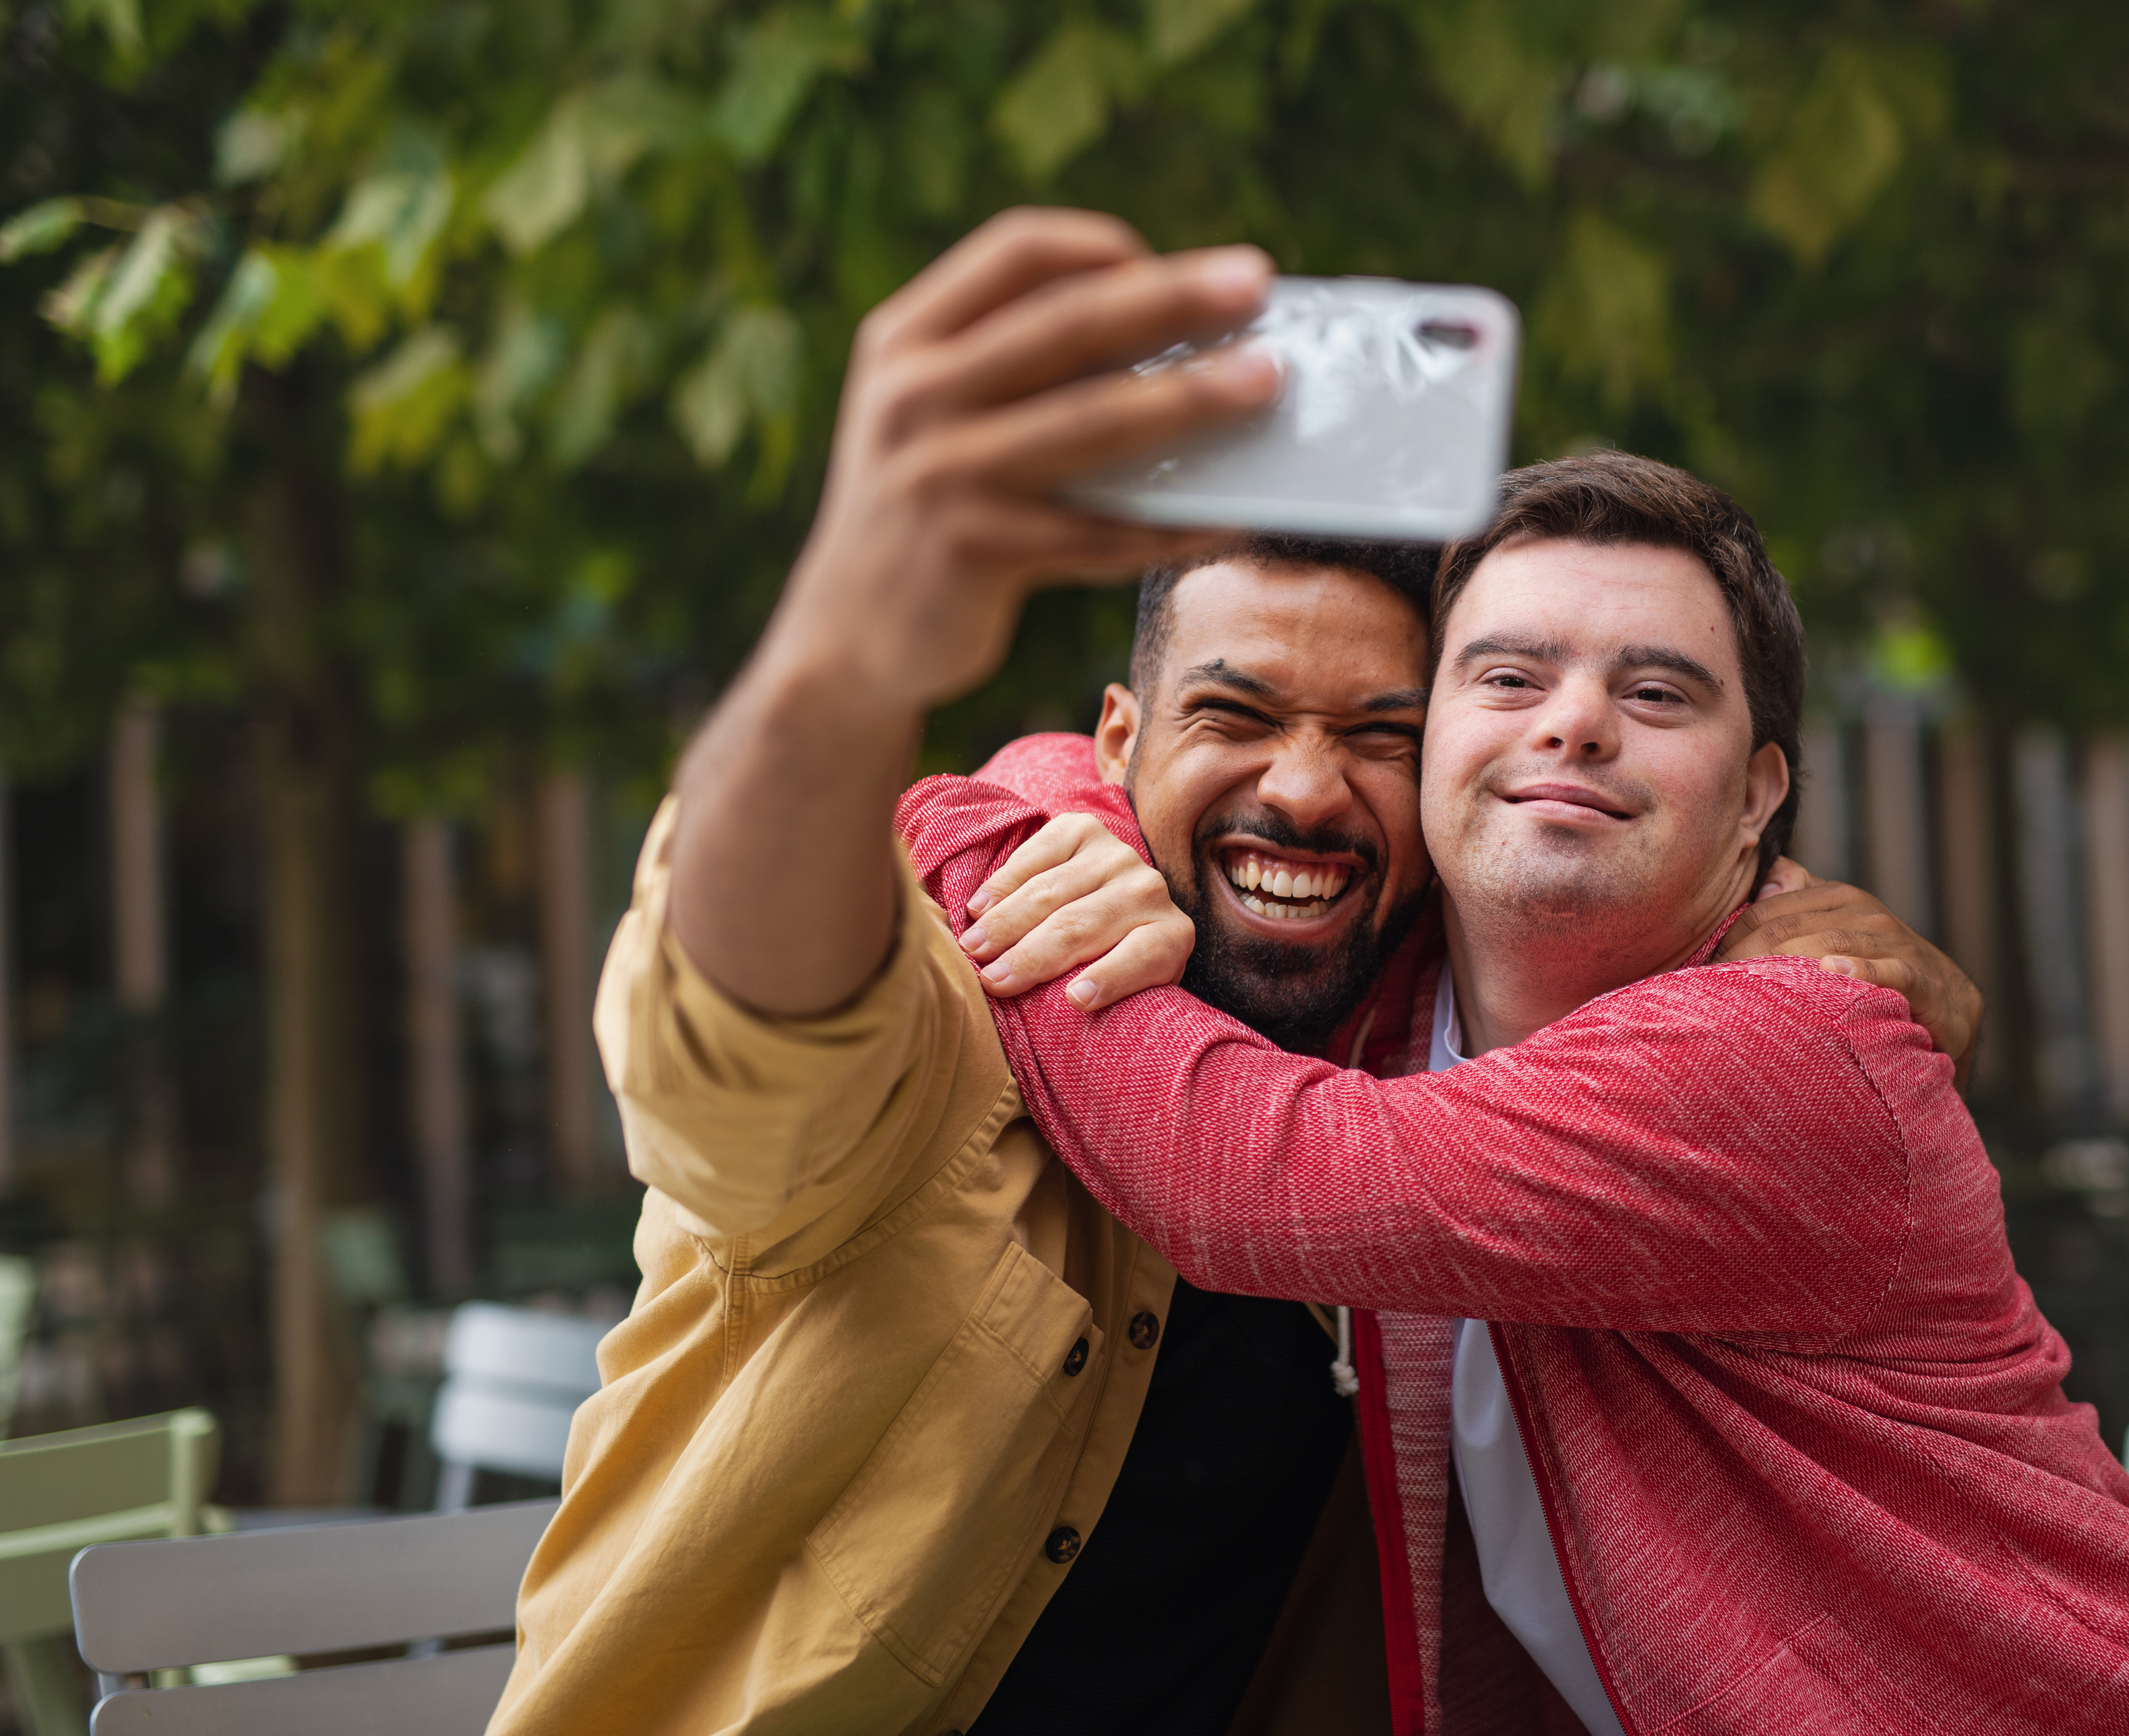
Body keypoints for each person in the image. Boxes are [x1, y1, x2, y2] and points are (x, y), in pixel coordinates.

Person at [487, 209, 1969, 1736]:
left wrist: (1880, 953)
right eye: (1237, 715)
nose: (1308, 791)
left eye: (1381, 736)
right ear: (1121, 742)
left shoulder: (1448, 1066)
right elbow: (735, 1033)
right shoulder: (977, 984)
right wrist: (847, 654)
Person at [909, 454, 2129, 1735]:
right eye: (1505, 676)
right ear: (1430, 753)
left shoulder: (1790, 1048)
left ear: (1756, 797)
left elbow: (1256, 1179)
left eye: (1657, 690)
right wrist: (1067, 804)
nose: (1573, 724)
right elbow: (1169, 760)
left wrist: (983, 862)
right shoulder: (1393, 1005)